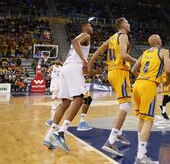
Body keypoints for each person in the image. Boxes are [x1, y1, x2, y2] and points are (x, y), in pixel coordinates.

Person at [88, 17, 136, 156]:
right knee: (125, 106)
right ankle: (111, 141)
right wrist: (138, 60)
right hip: (120, 72)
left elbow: (100, 49)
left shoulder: (113, 37)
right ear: (122, 25)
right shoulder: (124, 36)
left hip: (111, 72)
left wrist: (90, 63)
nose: (129, 24)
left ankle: (119, 132)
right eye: (127, 22)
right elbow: (123, 55)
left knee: (123, 104)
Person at [43, 22, 92, 152]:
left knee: (65, 102)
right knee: (80, 98)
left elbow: (72, 49)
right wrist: (84, 60)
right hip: (74, 66)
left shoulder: (79, 40)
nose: (91, 28)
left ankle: (49, 136)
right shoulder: (85, 35)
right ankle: (61, 132)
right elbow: (75, 41)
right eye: (89, 26)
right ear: (84, 27)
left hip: (66, 67)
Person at [131, 34, 170, 164]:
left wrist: (141, 77)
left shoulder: (145, 53)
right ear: (159, 41)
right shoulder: (164, 51)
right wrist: (168, 81)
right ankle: (141, 157)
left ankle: (140, 151)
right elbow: (169, 70)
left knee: (142, 118)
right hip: (148, 86)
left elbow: (133, 70)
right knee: (149, 120)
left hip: (137, 85)